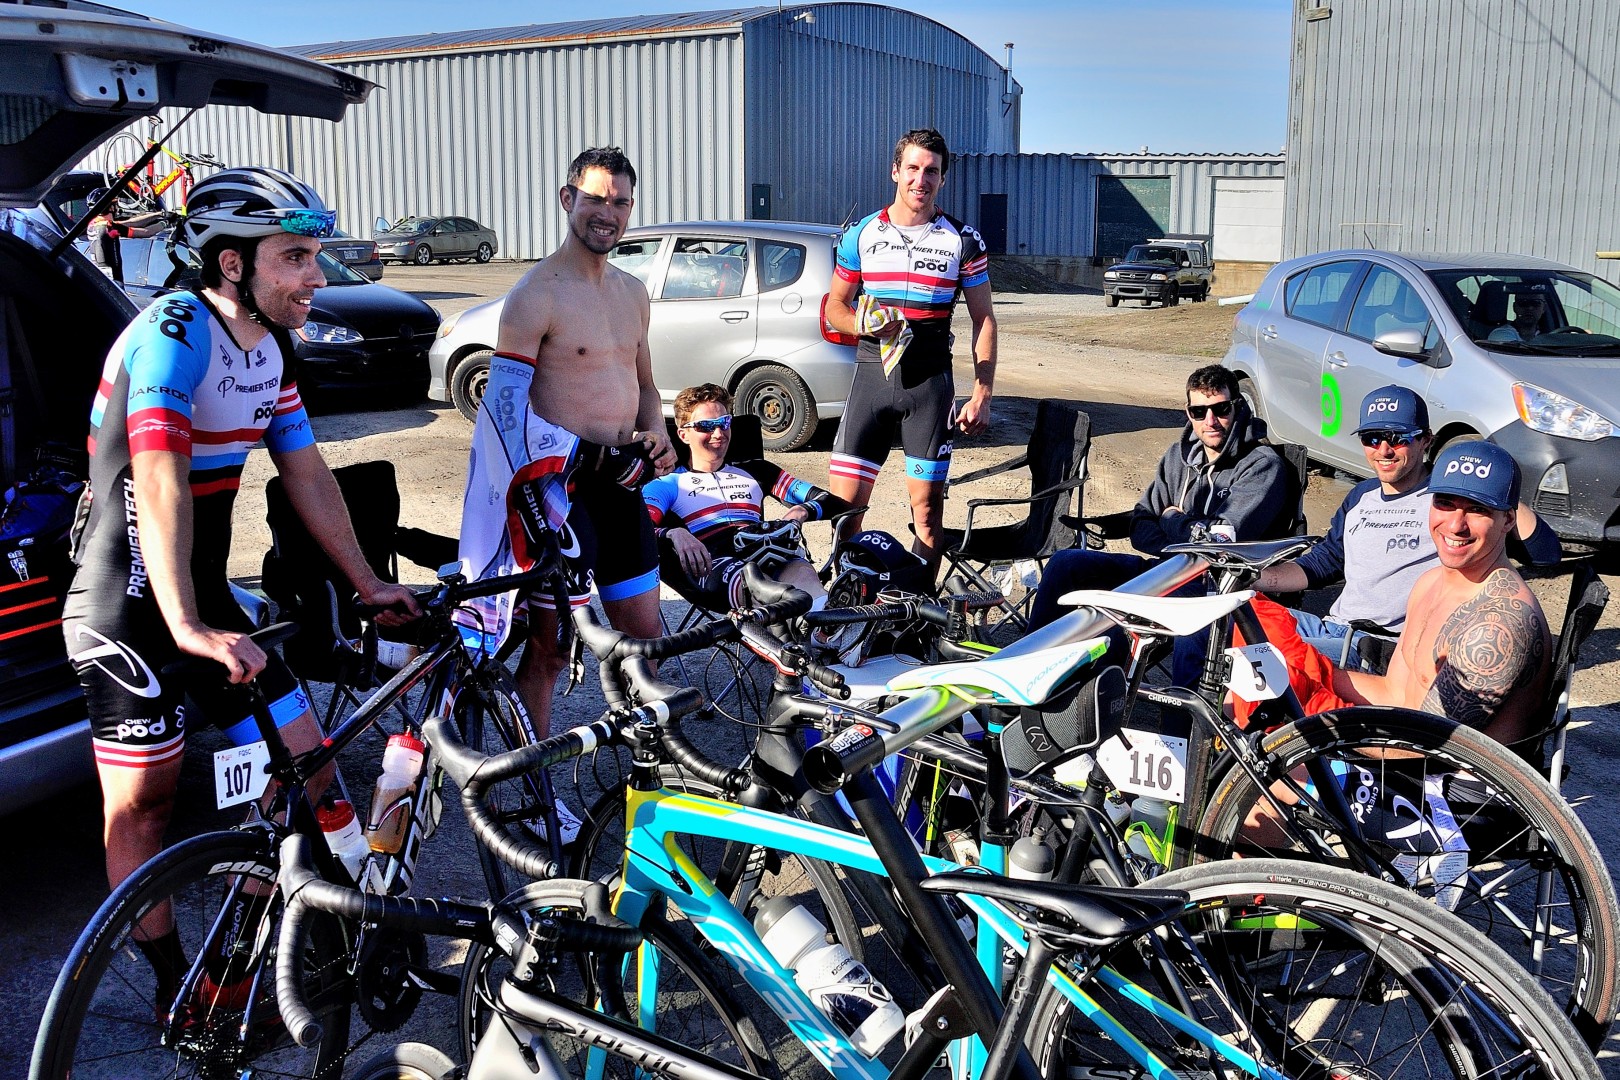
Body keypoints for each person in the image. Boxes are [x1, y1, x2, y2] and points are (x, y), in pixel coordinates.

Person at [61, 167, 420, 991]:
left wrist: (367, 582)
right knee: (144, 806)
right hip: (126, 605)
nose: (315, 276)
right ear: (232, 264)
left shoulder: (271, 348)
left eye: (313, 256)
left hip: (206, 600)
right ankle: (172, 987)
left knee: (308, 769)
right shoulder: (175, 331)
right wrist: (185, 624)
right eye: (294, 257)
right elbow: (158, 475)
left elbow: (306, 472)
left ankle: (235, 966)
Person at [456, 146, 676, 746]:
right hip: (561, 498)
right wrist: (582, 455)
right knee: (550, 653)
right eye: (596, 198)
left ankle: (646, 769)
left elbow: (645, 384)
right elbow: (503, 411)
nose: (608, 213)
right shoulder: (535, 294)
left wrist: (656, 432)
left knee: (645, 644)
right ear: (567, 199)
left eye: (620, 202)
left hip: (623, 490)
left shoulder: (633, 292)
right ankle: (534, 785)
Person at [1243, 440, 1552, 744]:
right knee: (1246, 638)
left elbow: (1428, 748)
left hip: (1433, 771)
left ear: (1508, 519)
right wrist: (1311, 672)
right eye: (1444, 503)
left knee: (1254, 758)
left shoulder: (1496, 626)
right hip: (1402, 743)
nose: (1455, 525)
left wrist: (1314, 706)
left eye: (1476, 509)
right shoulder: (1430, 583)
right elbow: (1394, 693)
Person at [1255, 385, 1559, 669]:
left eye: (1398, 438)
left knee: (1266, 659)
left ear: (1426, 440)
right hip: (1332, 627)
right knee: (1236, 621)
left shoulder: (1448, 503)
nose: (1384, 450)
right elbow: (1327, 560)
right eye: (1372, 438)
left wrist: (1491, 489)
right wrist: (1255, 579)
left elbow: (1544, 554)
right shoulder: (1361, 495)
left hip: (1379, 646)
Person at [824, 127, 997, 579]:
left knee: (927, 513)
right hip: (871, 380)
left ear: (942, 178)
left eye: (932, 171)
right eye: (913, 169)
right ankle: (845, 600)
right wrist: (862, 323)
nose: (922, 180)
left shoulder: (963, 239)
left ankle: (918, 604)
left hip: (929, 386)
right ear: (895, 172)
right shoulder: (861, 234)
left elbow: (985, 319)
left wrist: (982, 393)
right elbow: (834, 307)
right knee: (844, 510)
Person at [1027, 364, 1295, 640]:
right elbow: (1141, 524)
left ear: (1237, 407)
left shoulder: (1261, 466)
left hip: (1216, 590)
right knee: (1065, 564)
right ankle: (1025, 659)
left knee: (1117, 623)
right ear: (1188, 413)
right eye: (1199, 411)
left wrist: (1170, 519)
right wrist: (1182, 539)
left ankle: (1112, 667)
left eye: (1221, 409)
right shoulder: (1178, 457)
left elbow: (1218, 546)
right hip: (1164, 572)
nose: (1210, 421)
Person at [644, 384, 853, 609]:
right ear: (683, 434)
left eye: (724, 423)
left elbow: (831, 501)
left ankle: (824, 621)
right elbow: (636, 528)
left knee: (801, 571)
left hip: (765, 551)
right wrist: (673, 532)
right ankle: (791, 616)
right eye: (706, 426)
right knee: (753, 580)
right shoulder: (666, 483)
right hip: (715, 565)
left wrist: (801, 511)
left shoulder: (758, 471)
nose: (718, 433)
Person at [1487, 285, 1552, 342]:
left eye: (1536, 303)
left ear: (1544, 308)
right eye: (1523, 303)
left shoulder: (1549, 334)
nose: (1529, 308)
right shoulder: (1500, 334)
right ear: (1514, 307)